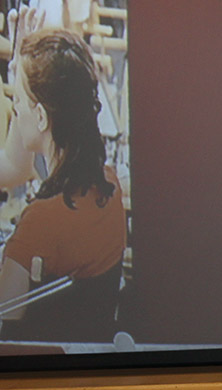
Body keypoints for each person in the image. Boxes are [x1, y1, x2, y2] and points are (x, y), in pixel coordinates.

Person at [0, 25, 126, 341]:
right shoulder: (109, 185)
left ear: (42, 118)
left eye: (19, 99)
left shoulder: (40, 223)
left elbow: (4, 325)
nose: (15, 107)